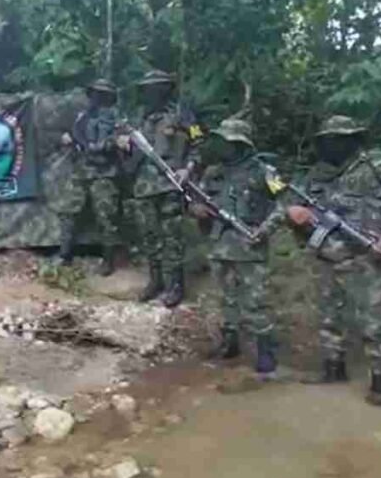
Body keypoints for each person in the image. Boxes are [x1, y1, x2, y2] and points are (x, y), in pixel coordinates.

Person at [287, 115, 381, 406]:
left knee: (375, 323)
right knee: (329, 317)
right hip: (327, 256)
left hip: (368, 257)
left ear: (354, 139)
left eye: (339, 139)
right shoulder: (316, 173)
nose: (333, 145)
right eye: (328, 140)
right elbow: (294, 203)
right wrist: (295, 214)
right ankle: (333, 368)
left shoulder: (380, 165)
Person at [197, 118, 284, 376]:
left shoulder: (265, 172)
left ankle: (265, 350)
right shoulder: (213, 172)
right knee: (226, 297)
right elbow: (197, 199)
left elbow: (284, 204)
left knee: (256, 300)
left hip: (249, 244)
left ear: (240, 143)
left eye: (228, 142)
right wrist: (196, 209)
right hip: (220, 243)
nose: (223, 146)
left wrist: (264, 230)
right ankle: (230, 342)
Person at [120, 70, 200, 308]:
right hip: (143, 185)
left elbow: (199, 143)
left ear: (166, 90)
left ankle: (176, 286)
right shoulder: (137, 118)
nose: (152, 93)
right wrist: (122, 143)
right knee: (149, 236)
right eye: (148, 89)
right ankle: (155, 281)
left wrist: (188, 169)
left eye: (157, 88)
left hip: (170, 184)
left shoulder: (182, 115)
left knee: (172, 237)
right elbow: (123, 142)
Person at [55, 79, 122, 275]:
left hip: (104, 173)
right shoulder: (82, 116)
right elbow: (74, 136)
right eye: (95, 93)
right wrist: (69, 139)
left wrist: (101, 145)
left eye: (102, 94)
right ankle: (64, 255)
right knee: (68, 212)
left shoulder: (117, 118)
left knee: (106, 217)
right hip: (81, 171)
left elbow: (118, 141)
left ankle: (108, 260)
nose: (97, 97)